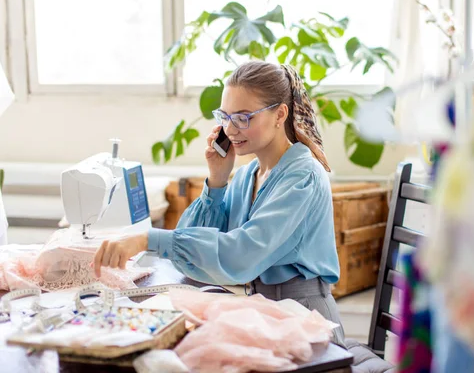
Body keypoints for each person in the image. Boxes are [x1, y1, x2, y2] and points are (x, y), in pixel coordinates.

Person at [93, 61, 345, 346]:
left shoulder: (303, 177)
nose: (230, 129)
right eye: (225, 116)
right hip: (265, 313)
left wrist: (148, 239)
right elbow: (191, 261)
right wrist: (216, 181)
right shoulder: (248, 175)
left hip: (305, 325)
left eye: (243, 117)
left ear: (280, 115)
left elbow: (241, 255)